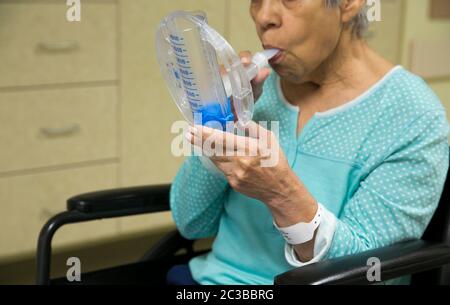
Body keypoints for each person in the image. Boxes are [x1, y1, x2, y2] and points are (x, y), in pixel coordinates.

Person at [168, 0, 450, 285]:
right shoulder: (254, 95)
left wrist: (282, 196)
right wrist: (222, 120)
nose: (264, 17)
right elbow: (191, 222)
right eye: (256, 0)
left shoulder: (412, 116)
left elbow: (369, 273)